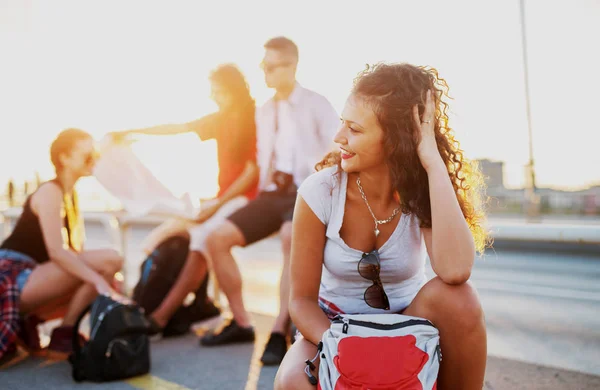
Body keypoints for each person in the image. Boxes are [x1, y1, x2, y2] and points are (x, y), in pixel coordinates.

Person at [274, 63, 489, 389]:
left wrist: (431, 161)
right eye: (342, 124)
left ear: (397, 140)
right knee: (290, 381)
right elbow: (300, 301)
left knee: (462, 300)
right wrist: (346, 347)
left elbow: (456, 271)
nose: (338, 137)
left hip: (407, 325)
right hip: (335, 326)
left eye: (355, 130)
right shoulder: (320, 191)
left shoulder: (421, 190)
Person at [198, 37, 339, 366]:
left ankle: (279, 330)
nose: (265, 72)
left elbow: (338, 151)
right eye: (263, 66)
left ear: (292, 66)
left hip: (307, 192)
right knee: (217, 239)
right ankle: (242, 323)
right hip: (271, 194)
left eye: (271, 67)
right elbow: (259, 162)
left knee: (292, 237)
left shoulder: (318, 104)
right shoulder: (264, 111)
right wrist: (221, 202)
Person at [111, 64, 259, 335]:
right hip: (224, 199)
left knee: (203, 239)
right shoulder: (220, 119)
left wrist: (219, 202)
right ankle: (193, 305)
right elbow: (178, 127)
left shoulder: (252, 117)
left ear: (233, 90)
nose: (213, 97)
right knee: (180, 232)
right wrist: (134, 131)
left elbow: (252, 172)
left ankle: (161, 317)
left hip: (246, 199)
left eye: (218, 92)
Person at [0, 128, 123, 361]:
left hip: (30, 277)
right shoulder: (50, 191)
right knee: (109, 261)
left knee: (109, 275)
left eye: (94, 155)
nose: (93, 160)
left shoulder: (69, 196)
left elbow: (74, 254)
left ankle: (39, 327)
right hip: (11, 277)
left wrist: (103, 282)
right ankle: (63, 336)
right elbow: (57, 252)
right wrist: (97, 281)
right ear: (64, 158)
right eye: (86, 154)